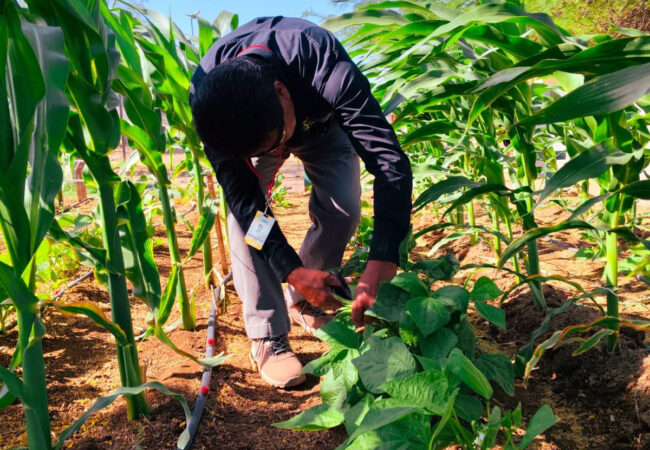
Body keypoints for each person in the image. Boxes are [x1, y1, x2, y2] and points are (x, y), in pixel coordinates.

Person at [189, 16, 412, 388]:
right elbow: (247, 204)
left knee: (344, 207)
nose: (277, 154)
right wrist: (288, 268)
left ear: (281, 92)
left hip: (320, 125)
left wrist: (383, 258)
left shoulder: (324, 64)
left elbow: (388, 162)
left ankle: (307, 295)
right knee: (243, 225)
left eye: (276, 143)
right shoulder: (210, 101)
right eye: (268, 150)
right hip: (257, 132)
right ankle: (267, 332)